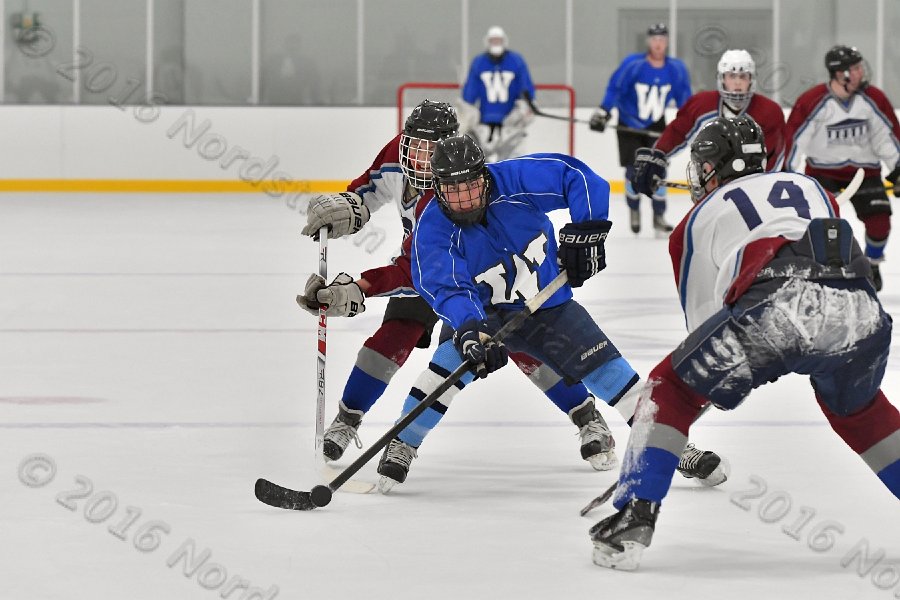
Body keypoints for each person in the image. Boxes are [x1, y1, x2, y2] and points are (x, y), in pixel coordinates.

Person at [590, 115, 900, 572]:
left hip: (780, 303)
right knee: (861, 412)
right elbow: (826, 234)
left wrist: (683, 410)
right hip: (861, 307)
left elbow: (703, 330)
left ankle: (634, 515)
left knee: (668, 389)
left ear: (711, 167)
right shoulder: (809, 184)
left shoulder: (694, 222)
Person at [373, 134, 728, 493]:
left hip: (548, 305)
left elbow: (578, 177)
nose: (465, 201)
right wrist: (468, 330)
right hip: (484, 316)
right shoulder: (432, 229)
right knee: (442, 375)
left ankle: (674, 447)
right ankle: (403, 442)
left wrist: (586, 231)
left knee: (614, 375)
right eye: (453, 191)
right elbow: (447, 286)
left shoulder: (514, 180)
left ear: (484, 175)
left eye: (471, 186)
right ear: (435, 188)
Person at [299, 100, 619, 474]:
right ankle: (349, 417)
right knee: (390, 339)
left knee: (523, 346)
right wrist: (346, 206)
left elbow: (412, 267)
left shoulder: (454, 188)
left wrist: (361, 288)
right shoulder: (398, 154)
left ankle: (587, 417)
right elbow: (368, 191)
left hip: (471, 274)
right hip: (432, 271)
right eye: (412, 145)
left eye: (428, 150)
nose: (417, 159)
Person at [785, 45, 900, 292]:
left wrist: (898, 167)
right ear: (840, 74)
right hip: (822, 172)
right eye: (855, 68)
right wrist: (786, 174)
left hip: (865, 172)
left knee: (880, 224)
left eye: (860, 67)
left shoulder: (873, 98)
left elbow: (886, 136)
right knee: (821, 225)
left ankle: (872, 263)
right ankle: (824, 267)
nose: (861, 72)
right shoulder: (813, 101)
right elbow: (794, 139)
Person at [631, 50, 786, 204]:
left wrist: (761, 187)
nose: (738, 82)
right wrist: (657, 156)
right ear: (722, 78)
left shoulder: (769, 112)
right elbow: (677, 132)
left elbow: (774, 156)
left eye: (743, 76)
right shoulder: (701, 104)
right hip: (709, 188)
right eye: (732, 76)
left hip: (753, 192)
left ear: (751, 79)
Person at [589, 23, 692, 235]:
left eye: (662, 39)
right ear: (648, 41)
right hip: (629, 124)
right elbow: (615, 88)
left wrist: (691, 120)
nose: (658, 43)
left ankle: (658, 215)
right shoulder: (633, 64)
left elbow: (685, 100)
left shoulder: (676, 69)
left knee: (659, 169)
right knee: (632, 170)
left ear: (667, 42)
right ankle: (634, 208)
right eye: (654, 38)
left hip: (656, 124)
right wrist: (604, 111)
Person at [459, 26, 536, 162]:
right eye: (493, 40)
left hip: (511, 126)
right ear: (487, 42)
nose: (496, 44)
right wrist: (468, 116)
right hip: (484, 125)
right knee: (479, 166)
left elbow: (526, 92)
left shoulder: (516, 61)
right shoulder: (479, 62)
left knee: (513, 165)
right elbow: (468, 97)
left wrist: (524, 110)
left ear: (504, 41)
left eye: (498, 40)